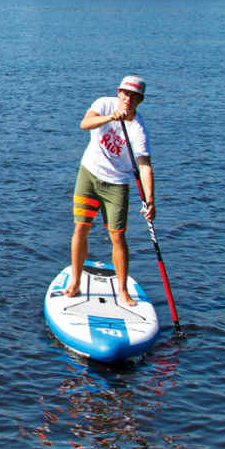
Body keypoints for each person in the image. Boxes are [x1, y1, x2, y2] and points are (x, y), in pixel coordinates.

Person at [64, 75, 154, 306]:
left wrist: (150, 201)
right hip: (89, 175)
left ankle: (122, 291)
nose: (127, 99)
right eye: (125, 94)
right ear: (118, 93)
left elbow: (144, 167)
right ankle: (75, 281)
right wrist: (111, 117)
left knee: (117, 236)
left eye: (134, 96)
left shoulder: (138, 129)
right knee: (81, 228)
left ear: (140, 101)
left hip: (116, 185)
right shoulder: (104, 104)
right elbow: (84, 123)